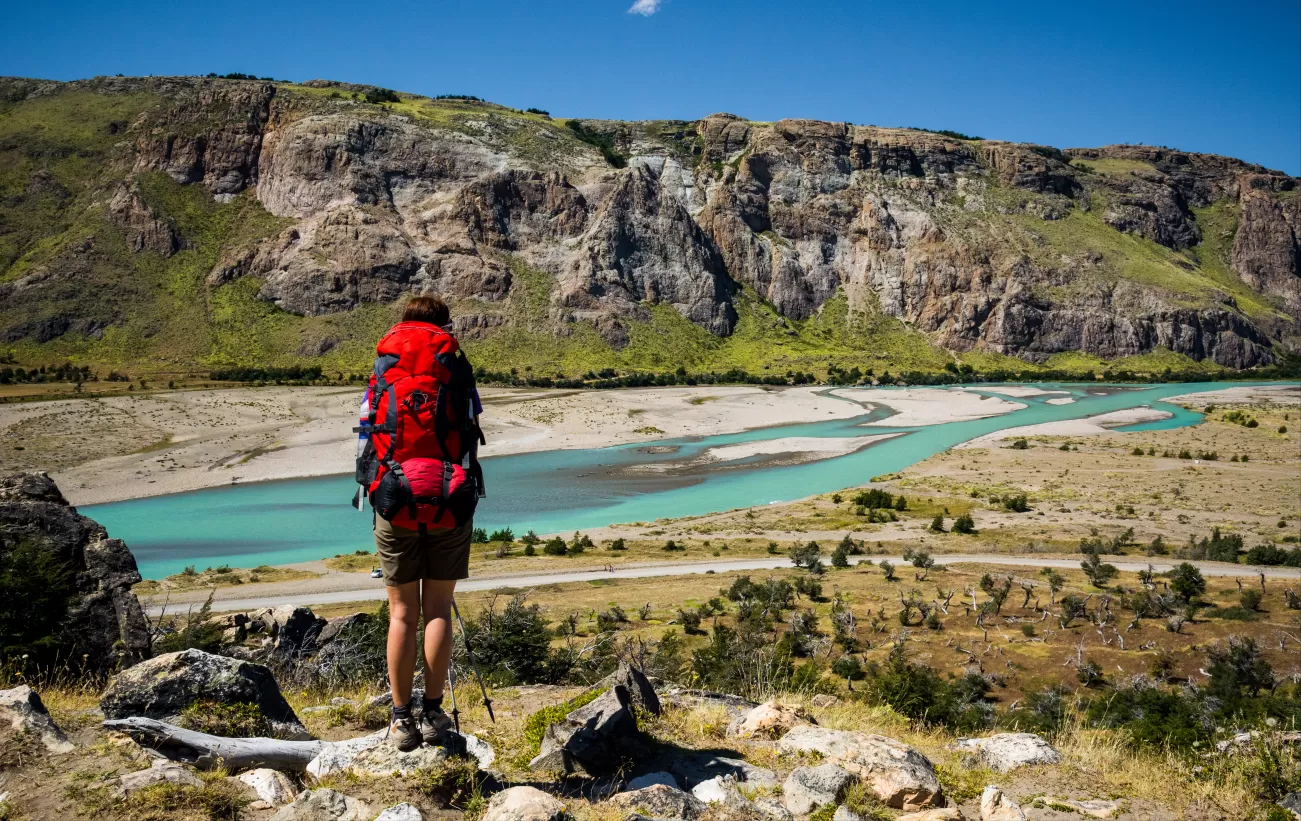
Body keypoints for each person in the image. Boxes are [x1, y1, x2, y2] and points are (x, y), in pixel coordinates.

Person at [357, 294, 484, 751]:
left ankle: (400, 720)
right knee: (438, 608)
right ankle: (433, 712)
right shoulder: (455, 361)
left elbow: (366, 434)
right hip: (450, 496)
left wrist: (370, 487)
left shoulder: (384, 362)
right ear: (445, 324)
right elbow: (472, 428)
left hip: (394, 498)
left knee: (401, 613)